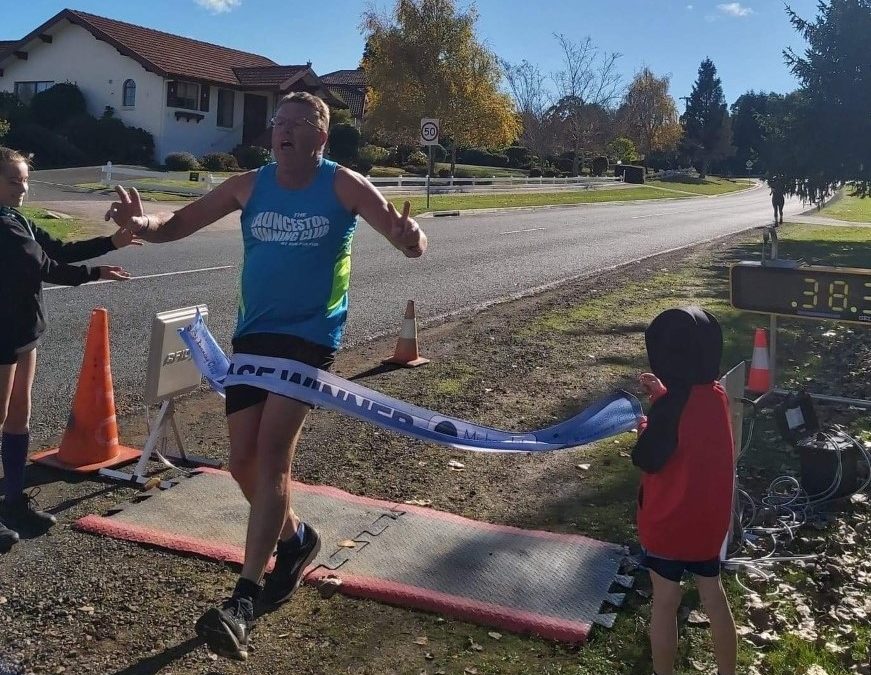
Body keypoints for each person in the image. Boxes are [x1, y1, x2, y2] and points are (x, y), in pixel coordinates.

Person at [105, 91, 428, 661]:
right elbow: (177, 224)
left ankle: (244, 600)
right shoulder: (249, 185)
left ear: (320, 138)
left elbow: (407, 239)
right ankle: (296, 539)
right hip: (254, 336)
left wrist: (411, 238)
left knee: (273, 453)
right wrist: (141, 223)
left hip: (309, 339)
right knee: (242, 462)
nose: (283, 131)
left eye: (298, 124)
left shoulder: (342, 184)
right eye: (278, 123)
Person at [0, 146, 133, 551]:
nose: (22, 188)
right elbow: (43, 267)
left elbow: (57, 248)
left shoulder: (16, 218)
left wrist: (113, 242)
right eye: (12, 181)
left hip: (24, 330)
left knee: (18, 417)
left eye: (24, 180)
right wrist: (94, 273)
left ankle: (12, 501)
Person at [632, 306, 737, 675]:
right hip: (708, 526)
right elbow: (688, 427)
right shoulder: (716, 394)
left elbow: (648, 457)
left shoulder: (671, 408)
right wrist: (662, 396)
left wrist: (646, 422)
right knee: (713, 596)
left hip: (669, 524)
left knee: (665, 601)